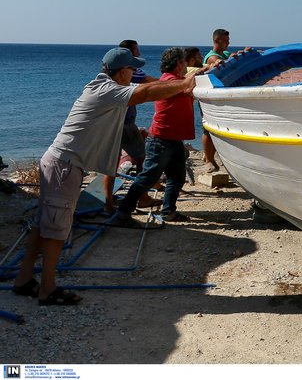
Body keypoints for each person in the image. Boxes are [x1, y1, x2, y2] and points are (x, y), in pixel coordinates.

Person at [12, 47, 200, 305]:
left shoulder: (101, 86)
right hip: (65, 167)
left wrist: (187, 80)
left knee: (43, 225)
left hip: (59, 164)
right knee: (56, 231)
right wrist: (184, 84)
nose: (135, 74)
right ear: (123, 72)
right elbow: (145, 93)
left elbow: (149, 84)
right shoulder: (108, 90)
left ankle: (23, 280)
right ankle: (47, 290)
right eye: (132, 70)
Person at [116, 47, 200, 225]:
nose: (186, 65)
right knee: (147, 177)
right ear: (179, 64)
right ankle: (123, 210)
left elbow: (187, 84)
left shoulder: (176, 80)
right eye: (184, 62)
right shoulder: (168, 82)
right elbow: (184, 90)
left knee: (177, 177)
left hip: (173, 139)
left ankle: (168, 211)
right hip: (161, 140)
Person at [103, 39, 158, 213]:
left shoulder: (107, 78)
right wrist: (181, 83)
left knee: (110, 166)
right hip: (125, 124)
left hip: (113, 125)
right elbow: (153, 84)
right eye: (136, 51)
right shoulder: (130, 72)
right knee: (143, 159)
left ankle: (109, 204)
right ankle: (142, 198)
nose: (139, 54)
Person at [201, 29, 230, 171]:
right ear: (216, 41)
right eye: (225, 41)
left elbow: (230, 57)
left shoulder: (224, 53)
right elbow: (217, 62)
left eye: (228, 40)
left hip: (219, 96)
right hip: (210, 97)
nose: (228, 43)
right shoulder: (211, 57)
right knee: (208, 128)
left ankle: (210, 156)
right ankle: (209, 159)